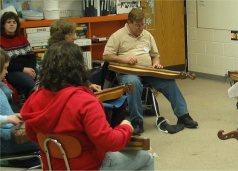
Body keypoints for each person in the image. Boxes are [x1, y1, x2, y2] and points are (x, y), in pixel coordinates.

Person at [20, 41, 154, 170]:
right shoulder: (85, 101)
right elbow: (108, 142)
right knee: (147, 156)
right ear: (79, 66)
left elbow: (32, 135)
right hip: (90, 166)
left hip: (53, 166)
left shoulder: (35, 98)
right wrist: (126, 127)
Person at [103, 8, 198, 135]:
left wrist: (156, 64)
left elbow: (155, 55)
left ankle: (183, 116)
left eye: (143, 24)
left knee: (168, 80)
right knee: (134, 84)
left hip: (148, 71)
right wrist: (124, 59)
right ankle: (137, 122)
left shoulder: (147, 35)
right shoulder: (117, 36)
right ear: (129, 22)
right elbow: (106, 56)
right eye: (137, 25)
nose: (141, 27)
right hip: (128, 72)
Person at [0, 49, 40, 164]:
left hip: (10, 134)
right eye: (5, 68)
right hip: (5, 140)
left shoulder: (2, 86)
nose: (7, 72)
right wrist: (8, 119)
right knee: (46, 140)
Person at [48, 19, 102, 92]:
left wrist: (89, 85)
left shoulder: (50, 52)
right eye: (71, 34)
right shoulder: (63, 54)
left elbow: (78, 77)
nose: (75, 38)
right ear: (61, 35)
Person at [0, 12, 37, 98]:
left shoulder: (22, 38)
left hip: (28, 68)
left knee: (44, 80)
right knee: (31, 84)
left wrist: (31, 69)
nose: (12, 24)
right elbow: (4, 63)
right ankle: (30, 107)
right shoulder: (1, 41)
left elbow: (32, 56)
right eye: (9, 22)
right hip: (11, 71)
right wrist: (23, 69)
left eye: (14, 22)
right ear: (3, 25)